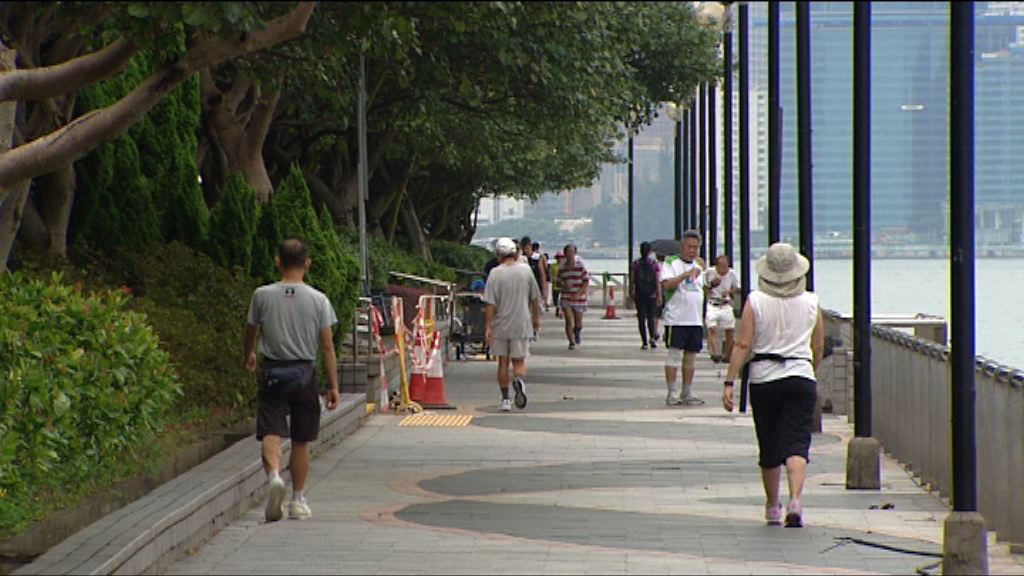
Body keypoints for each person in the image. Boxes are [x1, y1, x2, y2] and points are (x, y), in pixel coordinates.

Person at [723, 242, 824, 528]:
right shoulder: (812, 302)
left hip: (764, 378)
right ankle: (796, 500)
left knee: (769, 443)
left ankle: (772, 506)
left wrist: (730, 381)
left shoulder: (755, 301)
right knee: (797, 443)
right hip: (801, 375)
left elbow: (743, 344)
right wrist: (810, 370)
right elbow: (818, 344)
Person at [243, 239, 340, 522]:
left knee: (270, 431)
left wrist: (249, 353)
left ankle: (274, 475)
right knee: (300, 439)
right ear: (307, 264)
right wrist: (333, 385)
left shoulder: (261, 295)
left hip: (273, 371)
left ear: (278, 262)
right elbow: (327, 346)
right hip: (304, 373)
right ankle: (297, 500)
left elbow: (251, 330)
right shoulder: (319, 299)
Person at [484, 237, 542, 412]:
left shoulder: (495, 273)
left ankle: (505, 399)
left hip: (501, 324)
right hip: (522, 322)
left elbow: (490, 303)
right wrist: (536, 319)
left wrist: (488, 326)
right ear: (515, 253)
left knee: (503, 362)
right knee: (519, 361)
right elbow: (535, 298)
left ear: (499, 255)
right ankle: (519, 380)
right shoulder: (526, 270)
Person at [659, 230, 706, 405]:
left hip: (695, 318)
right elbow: (667, 285)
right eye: (689, 247)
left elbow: (703, 287)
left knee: (691, 356)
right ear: (682, 247)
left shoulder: (699, 265)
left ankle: (687, 391)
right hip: (677, 318)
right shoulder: (671, 263)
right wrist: (684, 275)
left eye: (696, 247)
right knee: (674, 355)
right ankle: (672, 392)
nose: (692, 251)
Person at [704, 254, 741, 368]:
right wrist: (712, 284)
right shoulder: (710, 272)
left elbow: (738, 287)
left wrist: (729, 291)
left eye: (726, 267)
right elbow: (704, 287)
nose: (724, 270)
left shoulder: (732, 274)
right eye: (721, 267)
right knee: (712, 328)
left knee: (730, 329)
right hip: (713, 303)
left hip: (725, 304)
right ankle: (715, 353)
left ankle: (725, 354)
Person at [630, 241, 662, 350]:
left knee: (641, 318)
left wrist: (632, 292)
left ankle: (644, 342)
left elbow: (633, 280)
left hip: (639, 294)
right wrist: (659, 294)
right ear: (649, 252)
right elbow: (657, 281)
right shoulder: (654, 264)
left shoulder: (635, 264)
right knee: (651, 317)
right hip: (651, 295)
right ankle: (652, 339)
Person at [556, 244, 589, 349]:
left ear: (575, 253)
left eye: (572, 252)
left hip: (579, 297)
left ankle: (577, 331)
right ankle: (571, 341)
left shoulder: (580, 266)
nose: (570, 254)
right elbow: (558, 281)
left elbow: (586, 281)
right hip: (566, 297)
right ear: (565, 254)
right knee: (568, 320)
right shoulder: (562, 267)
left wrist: (579, 293)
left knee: (578, 323)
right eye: (568, 252)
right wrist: (563, 284)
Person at [521, 236, 548, 313]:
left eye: (527, 248)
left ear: (530, 246)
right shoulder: (521, 258)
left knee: (536, 309)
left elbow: (542, 274)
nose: (525, 251)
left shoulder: (537, 258)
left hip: (536, 286)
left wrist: (544, 289)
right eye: (523, 249)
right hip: (524, 287)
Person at [550, 251, 564, 318]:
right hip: (555, 285)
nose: (560, 259)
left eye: (561, 257)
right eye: (558, 257)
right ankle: (557, 308)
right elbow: (550, 274)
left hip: (562, 286)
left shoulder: (564, 266)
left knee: (562, 300)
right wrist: (552, 279)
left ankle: (561, 312)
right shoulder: (553, 266)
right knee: (555, 300)